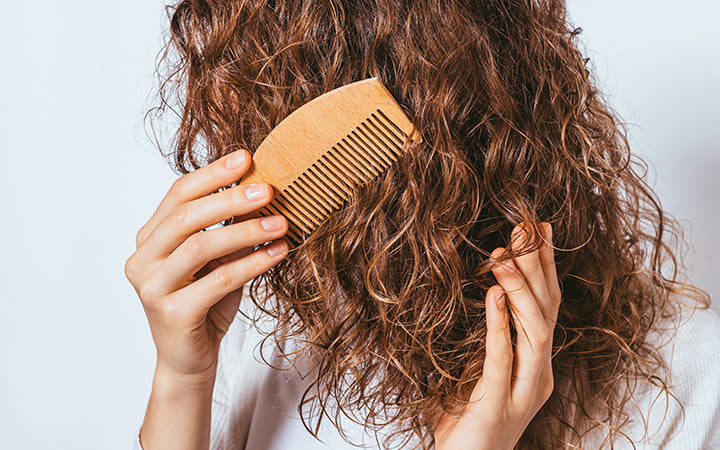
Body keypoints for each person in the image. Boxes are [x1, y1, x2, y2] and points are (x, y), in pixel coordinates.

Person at [126, 0, 720, 448]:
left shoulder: (690, 377)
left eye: (268, 98)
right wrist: (183, 378)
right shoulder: (280, 327)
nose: (237, 144)